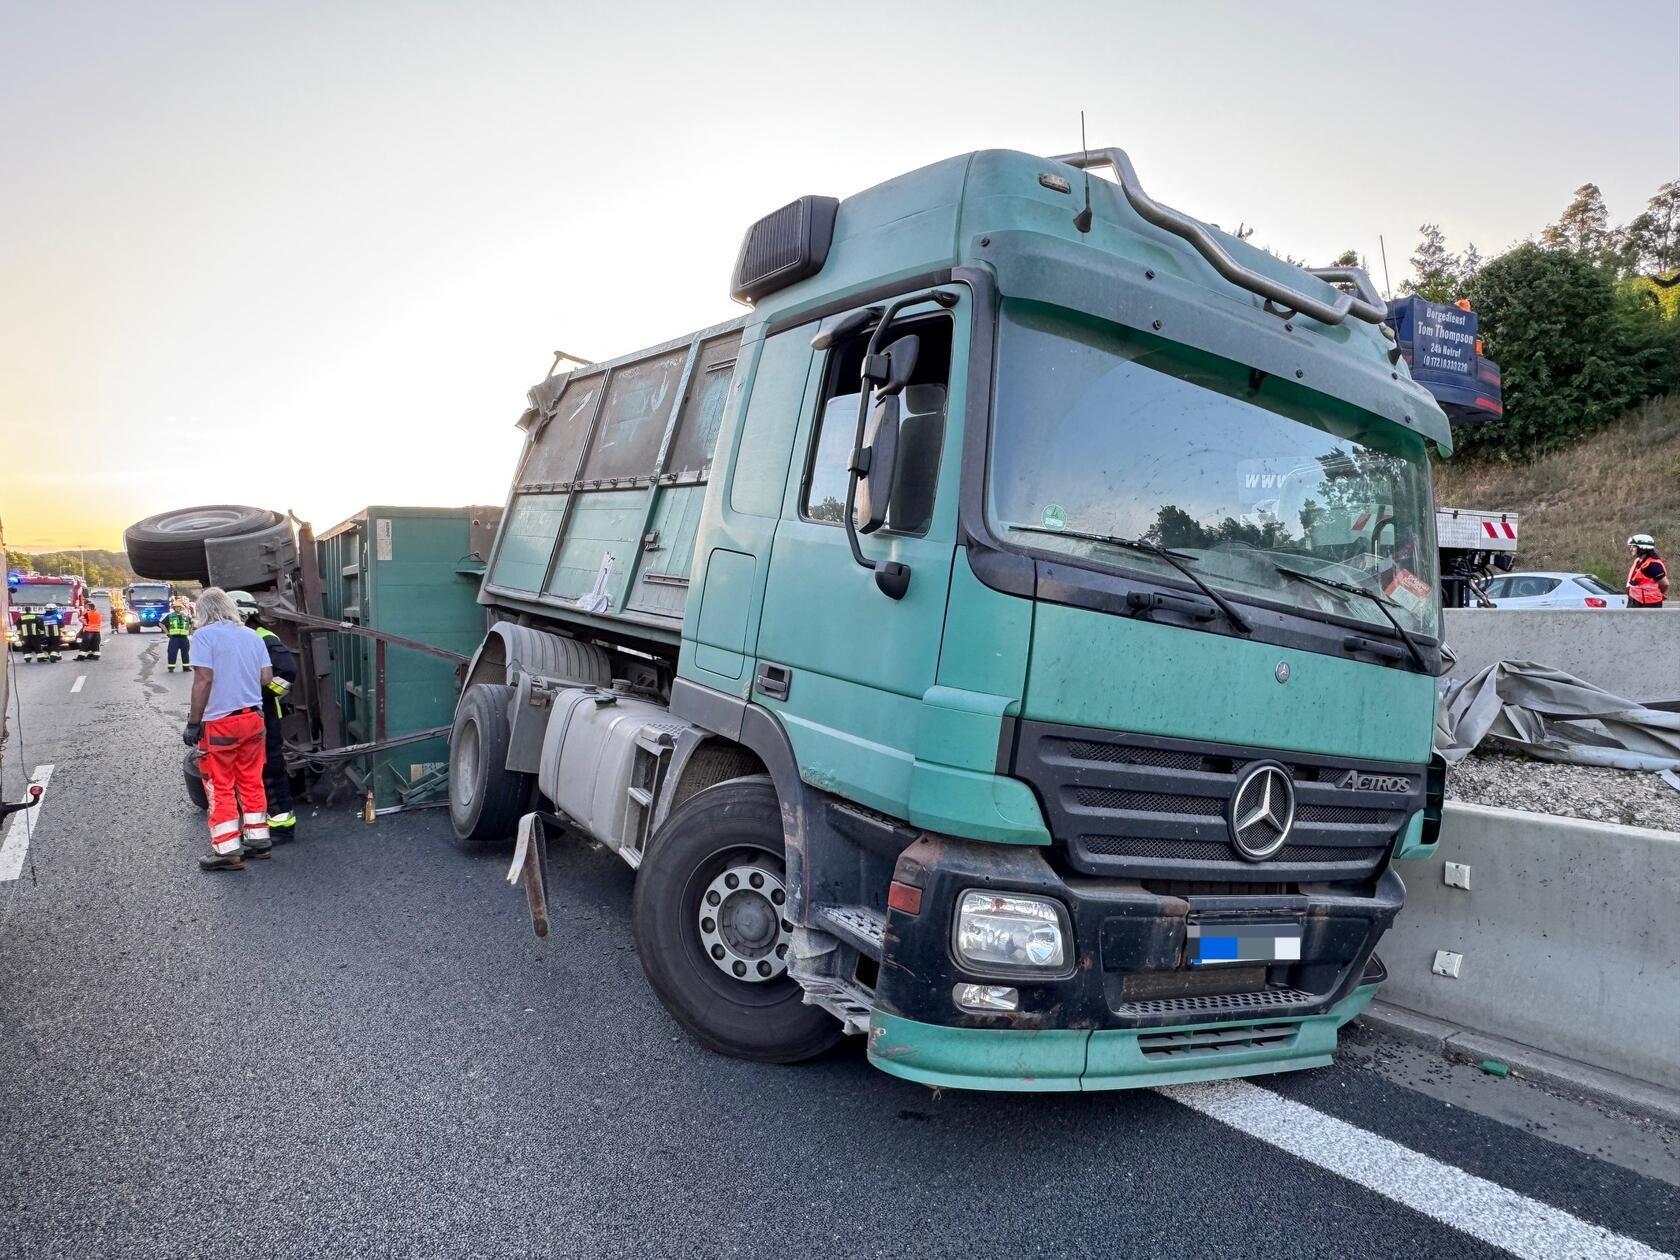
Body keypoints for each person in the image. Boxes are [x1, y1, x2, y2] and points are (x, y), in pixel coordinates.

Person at [183, 588, 274, 871]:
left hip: (221, 722)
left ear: (203, 611)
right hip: (253, 720)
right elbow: (266, 677)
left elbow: (203, 681)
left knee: (219, 784)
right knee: (251, 778)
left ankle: (227, 849)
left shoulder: (203, 637)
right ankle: (259, 841)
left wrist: (194, 723)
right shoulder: (250, 635)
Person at [231, 590, 299, 837]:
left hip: (265, 713)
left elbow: (287, 672)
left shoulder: (262, 637)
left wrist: (262, 694)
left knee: (270, 769)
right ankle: (262, 823)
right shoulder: (248, 636)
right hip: (254, 712)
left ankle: (281, 825)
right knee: (255, 770)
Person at [1626, 534, 1668, 609]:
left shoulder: (1654, 564)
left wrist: (1656, 593)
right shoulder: (1638, 561)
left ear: (1643, 548)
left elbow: (1665, 584)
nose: (1631, 549)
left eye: (1634, 546)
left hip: (1650, 603)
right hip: (1634, 601)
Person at [162, 599, 193, 671]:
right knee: (172, 653)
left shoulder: (185, 616)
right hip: (174, 638)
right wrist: (167, 633)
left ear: (181, 608)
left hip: (184, 638)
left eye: (178, 607)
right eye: (176, 607)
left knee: (185, 653)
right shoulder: (170, 616)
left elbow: (192, 622)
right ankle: (171, 668)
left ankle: (186, 667)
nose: (177, 608)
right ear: (174, 608)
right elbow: (161, 624)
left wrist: (190, 631)